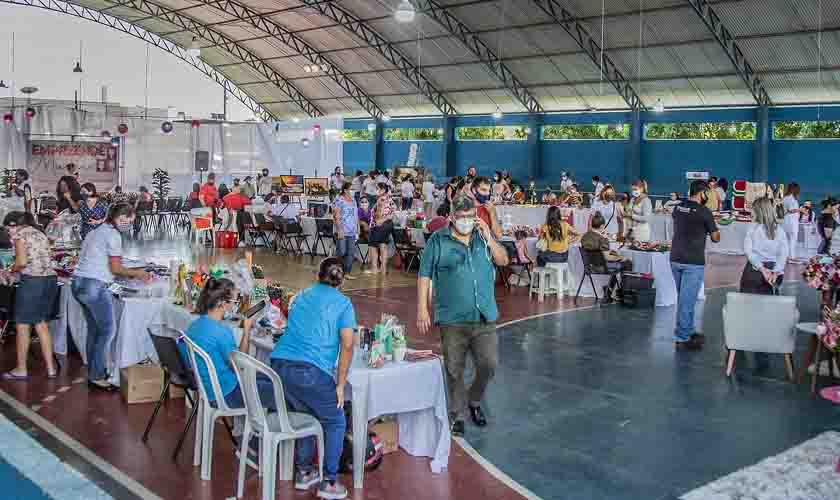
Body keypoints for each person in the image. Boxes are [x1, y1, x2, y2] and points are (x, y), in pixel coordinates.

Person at [417, 195, 508, 436]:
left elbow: (503, 260)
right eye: (461, 217)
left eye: (470, 216)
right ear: (452, 217)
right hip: (452, 318)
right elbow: (424, 273)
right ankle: (457, 413)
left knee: (489, 364)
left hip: (483, 315)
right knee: (454, 368)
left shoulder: (482, 237)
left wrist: (489, 237)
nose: (466, 221)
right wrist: (422, 308)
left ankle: (474, 400)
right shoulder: (438, 240)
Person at [271, 257, 355, 499]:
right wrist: (340, 384)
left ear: (318, 274)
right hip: (310, 371)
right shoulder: (344, 304)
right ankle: (329, 481)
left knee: (306, 412)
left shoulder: (301, 295)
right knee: (336, 421)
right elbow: (347, 346)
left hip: (279, 366)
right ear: (342, 280)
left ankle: (304, 471)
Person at [72, 203, 150, 389]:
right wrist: (139, 273)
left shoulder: (96, 231)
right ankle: (97, 375)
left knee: (94, 330)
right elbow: (115, 269)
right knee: (107, 331)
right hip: (95, 285)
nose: (128, 224)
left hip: (78, 282)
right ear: (117, 217)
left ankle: (94, 371)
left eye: (130, 221)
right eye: (126, 220)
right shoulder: (113, 236)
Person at [179, 277, 275, 412]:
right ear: (222, 303)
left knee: (267, 378)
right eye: (235, 301)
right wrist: (246, 329)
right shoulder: (221, 331)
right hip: (225, 393)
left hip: (207, 390)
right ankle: (266, 431)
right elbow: (239, 365)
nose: (235, 305)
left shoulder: (194, 325)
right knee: (278, 389)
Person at [1, 212, 60, 381]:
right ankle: (50, 369)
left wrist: (8, 271)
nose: (9, 234)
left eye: (8, 229)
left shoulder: (20, 235)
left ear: (13, 225)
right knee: (41, 323)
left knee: (22, 325)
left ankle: (21, 369)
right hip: (50, 280)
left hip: (33, 283)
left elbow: (21, 262)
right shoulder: (39, 233)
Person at [740, 197, 788, 371]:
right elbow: (784, 252)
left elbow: (749, 251)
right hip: (773, 272)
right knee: (767, 308)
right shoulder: (779, 230)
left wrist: (761, 269)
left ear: (758, 210)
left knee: (745, 307)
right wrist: (776, 270)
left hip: (754, 272)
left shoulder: (753, 228)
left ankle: (742, 342)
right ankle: (763, 345)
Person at [670, 180, 720, 351]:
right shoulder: (704, 212)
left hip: (675, 258)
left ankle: (689, 330)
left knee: (685, 299)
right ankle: (682, 337)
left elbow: (684, 222)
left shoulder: (677, 207)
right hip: (693, 261)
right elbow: (715, 237)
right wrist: (713, 226)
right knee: (687, 301)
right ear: (702, 193)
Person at [581, 212, 631, 303]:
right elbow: (607, 258)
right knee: (627, 263)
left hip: (589, 267)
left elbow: (595, 249)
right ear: (602, 226)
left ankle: (609, 290)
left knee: (617, 261)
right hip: (602, 268)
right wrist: (620, 257)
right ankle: (620, 292)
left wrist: (613, 253)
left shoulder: (584, 236)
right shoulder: (603, 240)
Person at [365, 183, 396, 274]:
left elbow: (379, 213)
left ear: (382, 190)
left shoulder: (381, 199)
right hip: (388, 225)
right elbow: (392, 213)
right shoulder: (390, 199)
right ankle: (383, 269)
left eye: (377, 189)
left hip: (378, 225)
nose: (376, 191)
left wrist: (379, 220)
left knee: (373, 246)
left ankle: (374, 269)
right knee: (383, 245)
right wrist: (386, 218)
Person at [332, 182, 359, 280]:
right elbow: (336, 215)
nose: (353, 191)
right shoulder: (339, 200)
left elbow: (356, 215)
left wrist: (357, 229)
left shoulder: (354, 200)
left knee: (350, 252)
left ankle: (347, 272)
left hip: (352, 231)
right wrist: (339, 229)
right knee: (341, 251)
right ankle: (334, 270)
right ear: (345, 190)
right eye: (352, 189)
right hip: (342, 229)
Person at [782, 182, 803, 262]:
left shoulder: (785, 197)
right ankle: (792, 256)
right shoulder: (791, 198)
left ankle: (786, 256)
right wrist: (800, 209)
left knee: (787, 239)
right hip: (791, 221)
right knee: (793, 238)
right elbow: (791, 210)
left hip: (786, 220)